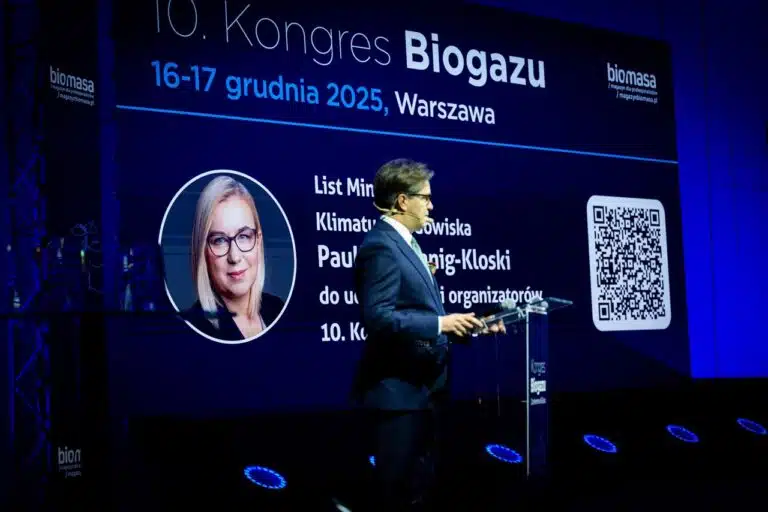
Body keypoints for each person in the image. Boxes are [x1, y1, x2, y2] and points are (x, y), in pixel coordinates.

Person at [352, 159, 505, 510]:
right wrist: (441, 324)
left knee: (420, 490)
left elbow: (423, 315)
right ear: (403, 201)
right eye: (426, 198)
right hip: (399, 395)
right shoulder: (381, 246)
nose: (432, 206)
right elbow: (378, 319)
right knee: (396, 495)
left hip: (425, 392)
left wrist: (471, 324)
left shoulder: (406, 244)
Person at [184, 175, 284, 342]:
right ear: (202, 251)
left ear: (258, 241)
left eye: (244, 236)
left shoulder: (276, 308)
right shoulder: (193, 328)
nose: (235, 257)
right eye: (219, 240)